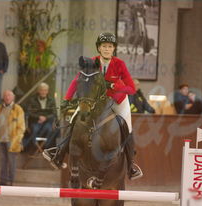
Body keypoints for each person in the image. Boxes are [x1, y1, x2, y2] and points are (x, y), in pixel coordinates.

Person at [43, 32, 143, 180]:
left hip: (117, 101)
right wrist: (67, 99)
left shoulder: (119, 64)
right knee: (75, 119)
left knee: (126, 126)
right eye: (104, 46)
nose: (107, 49)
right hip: (95, 102)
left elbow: (131, 88)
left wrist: (115, 86)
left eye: (110, 46)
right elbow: (76, 81)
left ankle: (131, 166)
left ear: (113, 49)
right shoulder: (91, 62)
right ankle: (59, 152)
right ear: (99, 48)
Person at [0, 90, 25, 186]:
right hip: (1, 139)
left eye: (9, 95)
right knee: (3, 161)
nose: (7, 97)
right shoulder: (0, 107)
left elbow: (21, 127)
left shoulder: (18, 109)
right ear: (3, 97)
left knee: (12, 162)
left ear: (13, 97)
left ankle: (11, 182)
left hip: (12, 140)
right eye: (5, 96)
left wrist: (17, 140)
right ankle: (3, 181)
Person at [23, 82, 57, 150]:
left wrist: (46, 118)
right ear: (38, 91)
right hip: (35, 121)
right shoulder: (32, 100)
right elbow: (29, 112)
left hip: (47, 121)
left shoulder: (52, 100)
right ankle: (35, 147)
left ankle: (44, 147)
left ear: (47, 91)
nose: (43, 92)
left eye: (45, 90)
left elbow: (54, 113)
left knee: (49, 129)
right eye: (41, 90)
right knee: (34, 129)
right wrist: (39, 117)